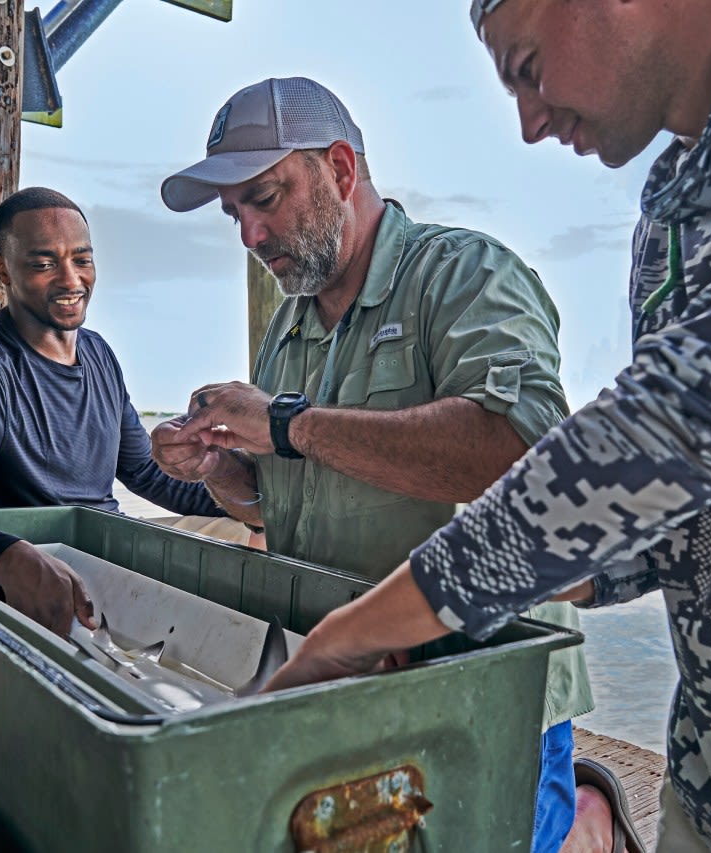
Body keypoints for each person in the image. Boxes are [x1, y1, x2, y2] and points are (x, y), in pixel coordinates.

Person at [265, 0, 711, 851]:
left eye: (528, 67)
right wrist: (472, 617)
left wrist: (373, 623)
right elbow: (684, 511)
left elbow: (700, 415)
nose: (529, 123)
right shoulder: (673, 210)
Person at [151, 77, 594, 852]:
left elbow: (526, 458)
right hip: (343, 690)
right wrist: (225, 474)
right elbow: (293, 505)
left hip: (481, 699)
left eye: (265, 197)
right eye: (235, 215)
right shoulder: (286, 328)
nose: (250, 237)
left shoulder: (466, 275)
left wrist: (289, 425)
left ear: (341, 170)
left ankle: (587, 817)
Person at [0, 187, 223, 636]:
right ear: (1, 267)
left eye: (82, 260)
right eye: (44, 264)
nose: (71, 280)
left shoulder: (99, 354)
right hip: (27, 589)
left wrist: (245, 498)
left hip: (108, 563)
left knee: (251, 540)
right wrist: (8, 556)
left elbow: (145, 472)